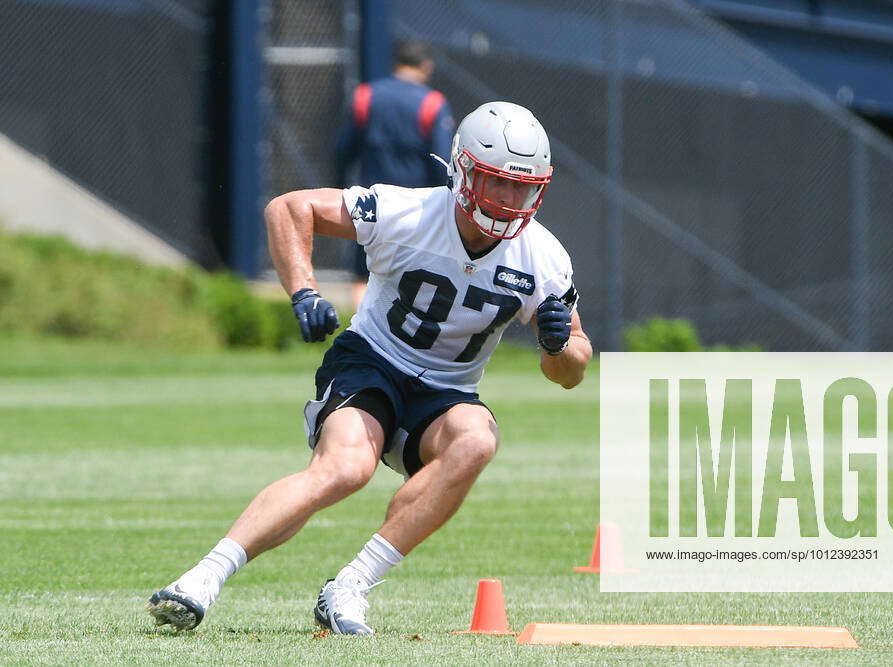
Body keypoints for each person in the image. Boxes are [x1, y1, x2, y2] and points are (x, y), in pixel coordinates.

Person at [147, 101, 592, 635]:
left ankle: (350, 588)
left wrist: (559, 343)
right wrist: (303, 290)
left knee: (476, 441)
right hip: (373, 361)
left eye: (523, 187)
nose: (510, 199)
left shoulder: (543, 258)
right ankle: (201, 579)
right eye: (498, 182)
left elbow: (569, 370)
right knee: (345, 468)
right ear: (464, 170)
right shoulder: (407, 212)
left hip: (447, 392)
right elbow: (289, 209)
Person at [334, 40, 455, 309]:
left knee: (362, 274)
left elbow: (343, 149)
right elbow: (440, 161)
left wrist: (339, 186)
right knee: (411, 274)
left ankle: (359, 330)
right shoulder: (432, 103)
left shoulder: (366, 95)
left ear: (396, 64)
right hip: (416, 210)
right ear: (426, 66)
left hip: (370, 204)